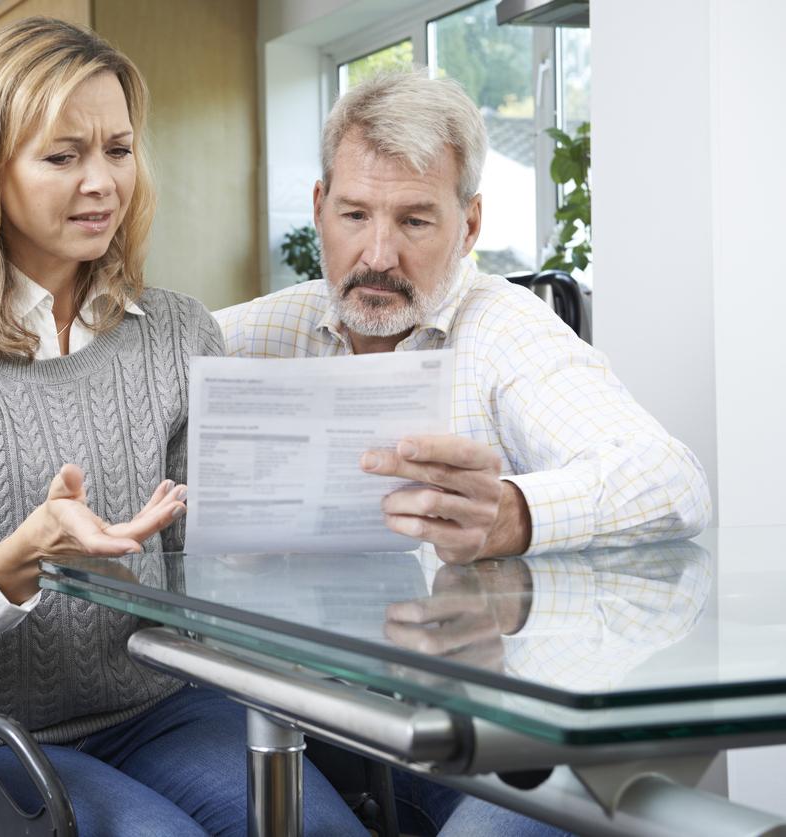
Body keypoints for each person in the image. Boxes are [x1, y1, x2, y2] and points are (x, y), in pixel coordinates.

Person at [0, 17, 366, 836]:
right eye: (62, 155)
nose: (102, 182)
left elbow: (205, 567)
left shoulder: (179, 328)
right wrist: (27, 553)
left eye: (118, 149)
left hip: (160, 703)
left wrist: (305, 516)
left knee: (317, 829)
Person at [216, 69, 711, 836]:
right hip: (316, 717)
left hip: (494, 731)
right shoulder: (253, 334)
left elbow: (673, 481)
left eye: (416, 221)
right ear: (319, 208)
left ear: (471, 225)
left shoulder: (504, 328)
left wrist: (514, 512)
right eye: (354, 214)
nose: (377, 254)